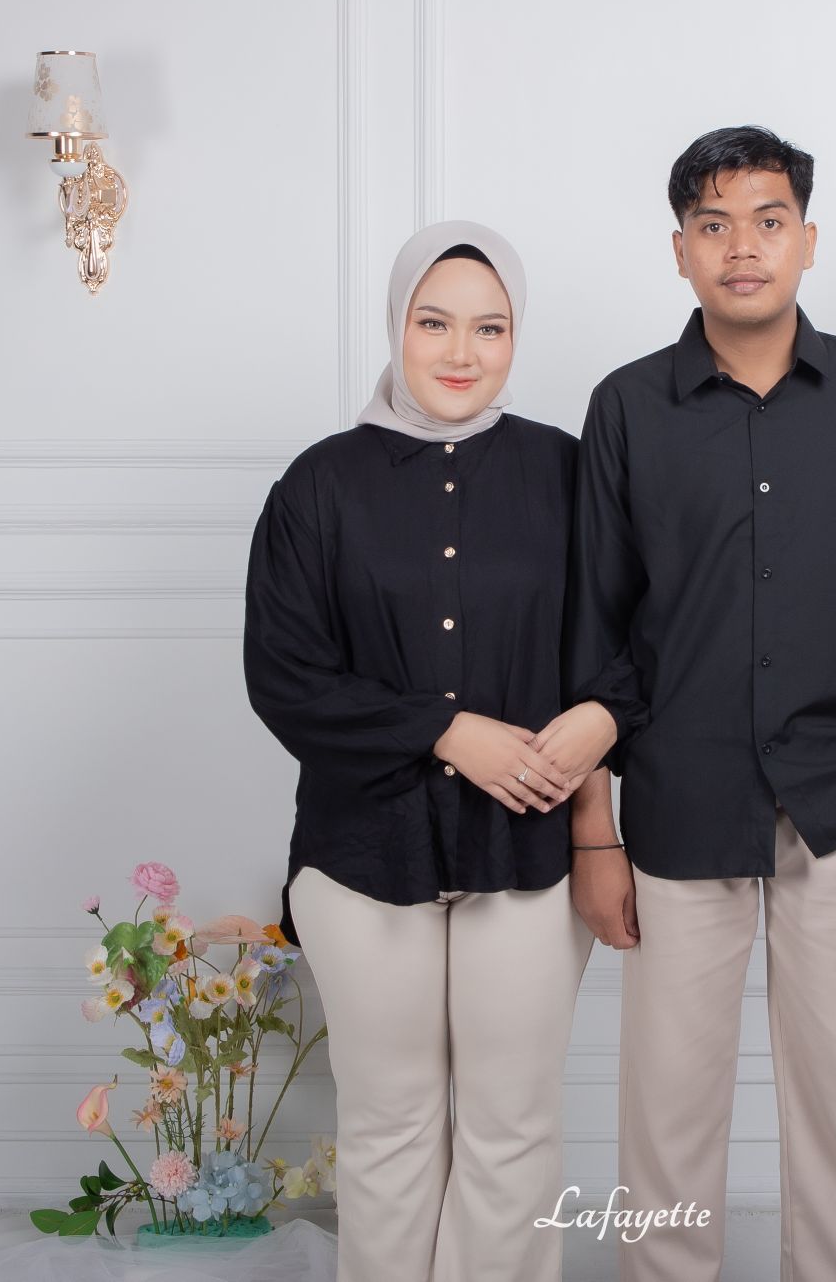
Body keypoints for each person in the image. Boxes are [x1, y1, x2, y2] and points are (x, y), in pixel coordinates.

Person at [564, 126, 836, 1281]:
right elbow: (592, 630)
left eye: (765, 220)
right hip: (676, 796)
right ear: (679, 251)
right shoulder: (625, 408)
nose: (739, 246)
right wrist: (593, 829)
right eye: (712, 224)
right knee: (666, 1100)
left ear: (806, 239)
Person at [243, 221, 613, 1282]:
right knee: (389, 1123)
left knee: (512, 1125)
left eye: (489, 327)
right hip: (363, 853)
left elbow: (628, 640)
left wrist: (601, 722)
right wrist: (445, 729)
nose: (461, 351)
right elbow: (284, 675)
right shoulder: (318, 485)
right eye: (433, 322)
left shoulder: (568, 471)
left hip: (527, 848)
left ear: (515, 336)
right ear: (396, 326)